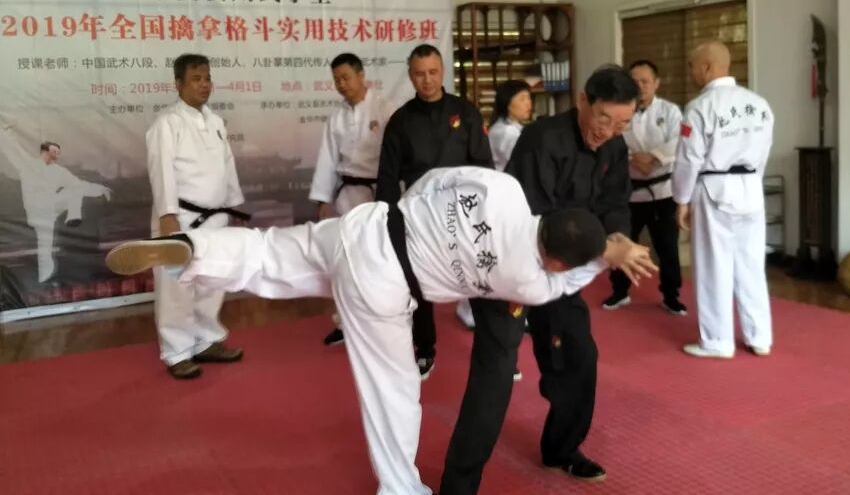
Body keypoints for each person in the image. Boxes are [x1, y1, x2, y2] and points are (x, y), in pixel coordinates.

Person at [105, 166, 656, 495]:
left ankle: (193, 247)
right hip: (383, 285)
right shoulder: (529, 280)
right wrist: (609, 255)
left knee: (271, 252)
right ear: (555, 259)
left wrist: (415, 215)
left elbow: (439, 179)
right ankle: (401, 488)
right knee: (394, 393)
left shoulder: (504, 188)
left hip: (366, 226)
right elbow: (564, 282)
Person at [438, 65, 638, 495]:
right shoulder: (542, 139)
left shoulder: (614, 147)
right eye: (604, 118)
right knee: (495, 375)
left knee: (578, 356)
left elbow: (614, 202)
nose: (609, 131)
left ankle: (561, 449)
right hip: (510, 266)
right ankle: (458, 487)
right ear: (583, 101)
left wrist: (620, 236)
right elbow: (542, 221)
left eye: (622, 124)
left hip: (561, 270)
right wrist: (604, 249)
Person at [376, 43, 493, 379]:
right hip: (420, 215)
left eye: (432, 72)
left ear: (442, 72)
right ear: (410, 76)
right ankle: (425, 348)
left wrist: (486, 211)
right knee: (418, 283)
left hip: (464, 212)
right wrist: (386, 220)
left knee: (480, 280)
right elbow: (388, 176)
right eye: (419, 74)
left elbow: (484, 165)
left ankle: (494, 348)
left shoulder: (465, 112)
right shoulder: (400, 121)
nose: (426, 80)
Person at [145, 53, 246, 379]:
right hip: (181, 216)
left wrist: (233, 204)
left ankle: (206, 340)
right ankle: (176, 351)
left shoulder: (215, 122)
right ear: (178, 84)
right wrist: (167, 214)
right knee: (177, 285)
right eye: (196, 79)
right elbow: (161, 170)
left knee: (211, 282)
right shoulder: (167, 123)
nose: (204, 85)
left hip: (215, 217)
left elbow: (227, 166)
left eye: (207, 78)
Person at [672, 41, 774, 359]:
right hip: (751, 188)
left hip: (714, 188)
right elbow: (763, 152)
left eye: (692, 66)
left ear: (706, 67)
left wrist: (681, 199)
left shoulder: (700, 107)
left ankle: (718, 340)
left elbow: (689, 159)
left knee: (713, 264)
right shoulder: (759, 105)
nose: (691, 72)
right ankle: (760, 337)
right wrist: (752, 182)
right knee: (751, 264)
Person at [309, 53, 395, 347]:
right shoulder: (336, 116)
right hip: (346, 195)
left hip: (377, 195)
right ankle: (345, 322)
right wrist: (322, 199)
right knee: (345, 261)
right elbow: (327, 159)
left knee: (378, 261)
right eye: (336, 80)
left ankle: (382, 321)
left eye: (346, 77)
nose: (342, 84)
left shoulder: (385, 108)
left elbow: (396, 156)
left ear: (361, 75)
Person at [603, 59, 686, 315]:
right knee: (623, 241)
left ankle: (671, 295)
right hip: (629, 190)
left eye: (645, 81)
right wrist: (633, 158)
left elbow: (680, 141)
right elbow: (611, 140)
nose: (640, 86)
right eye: (634, 81)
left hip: (663, 190)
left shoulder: (670, 111)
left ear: (656, 83)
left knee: (667, 247)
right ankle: (620, 291)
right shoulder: (621, 109)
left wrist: (653, 157)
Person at [455, 80, 532, 333]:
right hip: (498, 204)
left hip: (506, 202)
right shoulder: (504, 133)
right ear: (507, 103)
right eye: (522, 98)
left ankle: (484, 307)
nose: (528, 104)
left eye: (529, 98)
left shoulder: (515, 130)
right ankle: (470, 308)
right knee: (491, 258)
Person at [0, 121, 111, 283]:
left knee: (74, 190)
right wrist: (4, 133)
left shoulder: (58, 171)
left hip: (51, 208)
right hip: (38, 212)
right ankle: (43, 279)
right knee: (44, 248)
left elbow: (79, 184)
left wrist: (100, 189)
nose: (55, 156)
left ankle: (73, 217)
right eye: (52, 152)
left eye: (57, 153)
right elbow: (13, 150)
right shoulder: (29, 165)